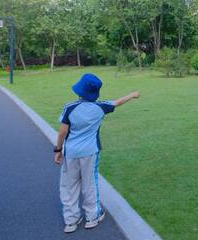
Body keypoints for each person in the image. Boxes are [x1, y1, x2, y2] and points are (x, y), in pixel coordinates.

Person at [53, 73, 140, 233]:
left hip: (71, 153)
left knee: (68, 185)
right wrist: (133, 95)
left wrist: (58, 150)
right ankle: (92, 217)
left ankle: (71, 221)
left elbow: (62, 133)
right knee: (90, 184)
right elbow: (118, 102)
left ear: (79, 90)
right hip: (91, 152)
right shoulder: (101, 107)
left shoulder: (70, 108)